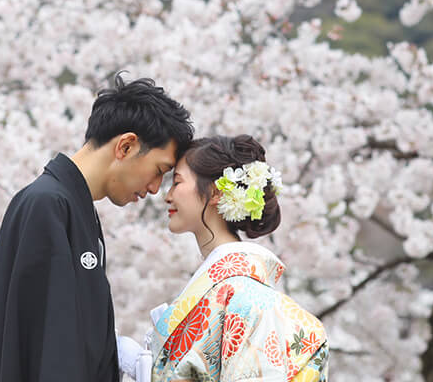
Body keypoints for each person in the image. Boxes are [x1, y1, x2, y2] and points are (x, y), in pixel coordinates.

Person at [0, 75, 194, 382]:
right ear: (126, 146)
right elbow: (49, 349)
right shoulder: (48, 204)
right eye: (159, 171)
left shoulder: (69, 206)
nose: (155, 189)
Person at [121, 135, 329, 382]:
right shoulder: (230, 290)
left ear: (216, 191)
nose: (167, 195)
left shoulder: (245, 298)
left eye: (177, 182)